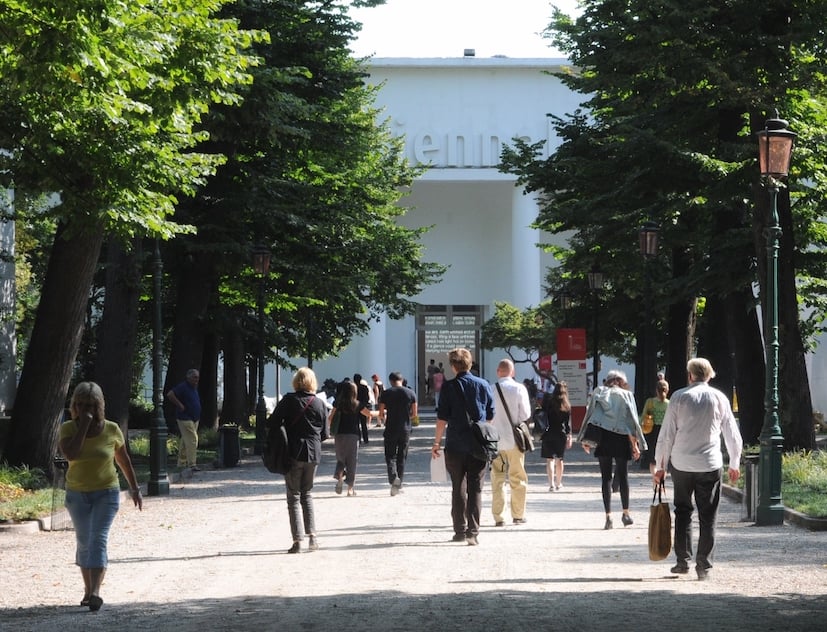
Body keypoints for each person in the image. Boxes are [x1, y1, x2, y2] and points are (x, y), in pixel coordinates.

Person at [653, 358, 742, 581]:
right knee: (708, 515)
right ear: (710, 375)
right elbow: (731, 432)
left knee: (683, 511)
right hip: (710, 464)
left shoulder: (679, 397)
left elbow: (667, 435)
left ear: (690, 375)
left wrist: (660, 466)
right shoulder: (719, 398)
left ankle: (682, 561)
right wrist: (734, 462)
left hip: (681, 463)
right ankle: (704, 565)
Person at [58, 382, 143, 612]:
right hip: (77, 493)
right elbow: (71, 455)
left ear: (99, 406)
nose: (86, 409)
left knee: (98, 538)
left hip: (106, 492)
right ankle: (87, 590)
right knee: (84, 540)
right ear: (74, 405)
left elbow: (123, 460)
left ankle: (96, 591)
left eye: (91, 405)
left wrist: (134, 488)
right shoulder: (68, 429)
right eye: (81, 404)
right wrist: (83, 427)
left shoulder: (112, 429)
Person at [431, 347, 495, 546]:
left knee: (458, 485)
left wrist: (436, 442)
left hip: (455, 443)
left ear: (452, 366)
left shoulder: (448, 388)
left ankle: (459, 530)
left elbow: (442, 418)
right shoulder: (483, 384)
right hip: (478, 445)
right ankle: (473, 532)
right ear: (470, 363)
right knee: (476, 488)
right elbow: (491, 415)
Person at [267, 367, 329, 553]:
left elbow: (273, 423)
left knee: (293, 497)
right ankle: (313, 538)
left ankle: (297, 541)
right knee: (307, 494)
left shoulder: (289, 401)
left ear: (296, 382)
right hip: (313, 454)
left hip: (293, 452)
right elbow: (325, 433)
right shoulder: (319, 404)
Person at [577, 369, 646, 530]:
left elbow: (591, 415)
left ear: (607, 380)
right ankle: (626, 513)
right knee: (623, 476)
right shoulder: (627, 395)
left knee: (605, 478)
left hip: (604, 439)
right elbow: (632, 421)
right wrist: (635, 444)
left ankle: (608, 516)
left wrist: (585, 439)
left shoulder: (599, 392)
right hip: (622, 438)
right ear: (622, 381)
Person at [489, 359, 532, 526]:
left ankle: (499, 517)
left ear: (498, 371)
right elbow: (525, 414)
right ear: (512, 372)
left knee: (497, 478)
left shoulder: (491, 388)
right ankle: (518, 514)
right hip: (515, 440)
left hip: (495, 440)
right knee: (518, 477)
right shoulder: (519, 388)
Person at [378, 371, 418, 496]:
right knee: (402, 456)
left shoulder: (386, 393)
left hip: (390, 428)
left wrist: (383, 419)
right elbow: (415, 414)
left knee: (390, 455)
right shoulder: (411, 393)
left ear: (390, 381)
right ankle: (398, 484)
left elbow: (381, 413)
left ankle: (393, 477)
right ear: (402, 380)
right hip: (405, 428)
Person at [328, 381, 370, 497]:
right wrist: (383, 413)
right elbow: (369, 414)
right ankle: (350, 489)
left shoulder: (338, 403)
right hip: (353, 435)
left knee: (341, 459)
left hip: (339, 434)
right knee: (352, 460)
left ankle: (340, 478)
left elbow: (331, 417)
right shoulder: (356, 404)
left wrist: (330, 429)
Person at [166, 368, 202, 470]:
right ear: (188, 377)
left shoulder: (193, 387)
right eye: (195, 377)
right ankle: (192, 464)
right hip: (184, 417)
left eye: (198, 377)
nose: (197, 379)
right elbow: (170, 394)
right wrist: (180, 405)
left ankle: (181, 463)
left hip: (194, 418)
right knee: (193, 439)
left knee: (185, 441)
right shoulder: (183, 386)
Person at [541, 381, 573, 492]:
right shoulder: (567, 405)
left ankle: (551, 484)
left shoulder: (549, 403)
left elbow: (541, 413)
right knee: (560, 459)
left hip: (548, 432)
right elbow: (568, 424)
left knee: (550, 459)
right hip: (561, 433)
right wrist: (569, 436)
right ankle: (559, 483)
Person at [639, 379, 670, 471]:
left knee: (652, 458)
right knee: (662, 457)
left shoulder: (650, 402)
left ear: (656, 390)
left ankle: (654, 480)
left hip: (651, 431)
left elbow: (643, 416)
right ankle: (661, 481)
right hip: (664, 431)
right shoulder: (669, 404)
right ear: (667, 390)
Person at [353, 373, 372, 443]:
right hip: (363, 406)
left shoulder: (352, 387)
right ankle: (366, 439)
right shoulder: (364, 387)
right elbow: (367, 397)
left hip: (354, 407)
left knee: (356, 424)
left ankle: (358, 439)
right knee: (364, 424)